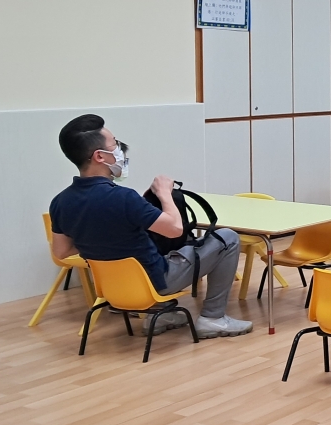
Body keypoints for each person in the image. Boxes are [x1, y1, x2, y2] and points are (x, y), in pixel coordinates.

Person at [49, 114, 252, 338]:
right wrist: (164, 193)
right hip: (156, 281)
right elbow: (175, 229)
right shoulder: (124, 198)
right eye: (114, 144)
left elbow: (62, 251)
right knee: (227, 238)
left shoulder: (60, 202)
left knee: (164, 247)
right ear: (99, 156)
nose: (120, 149)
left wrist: (98, 240)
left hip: (112, 288)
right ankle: (213, 318)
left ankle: (163, 314)